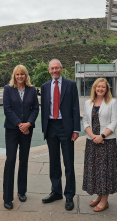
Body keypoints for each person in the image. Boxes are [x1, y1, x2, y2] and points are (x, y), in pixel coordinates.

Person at [40, 59, 80, 211]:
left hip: (66, 127)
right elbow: (44, 109)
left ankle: (69, 195)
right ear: (49, 70)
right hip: (51, 127)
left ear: (62, 69)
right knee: (54, 161)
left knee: (68, 162)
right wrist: (44, 128)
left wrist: (76, 129)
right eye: (52, 68)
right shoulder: (44, 87)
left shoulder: (70, 85)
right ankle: (56, 192)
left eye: (57, 68)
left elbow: (75, 108)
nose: (55, 71)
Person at [2, 65, 39, 210]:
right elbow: (7, 109)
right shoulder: (8, 89)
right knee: (10, 160)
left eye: (22, 74)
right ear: (14, 75)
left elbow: (35, 108)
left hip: (27, 130)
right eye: (17, 74)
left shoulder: (31, 89)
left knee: (23, 160)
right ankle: (7, 197)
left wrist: (28, 123)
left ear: (26, 75)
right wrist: (20, 124)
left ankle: (22, 191)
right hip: (12, 130)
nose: (19, 77)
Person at [82, 78, 117, 212]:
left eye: (103, 87)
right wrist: (93, 137)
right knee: (95, 170)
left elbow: (114, 122)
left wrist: (102, 136)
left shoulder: (112, 102)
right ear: (94, 88)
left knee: (105, 171)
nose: (100, 89)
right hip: (92, 141)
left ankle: (105, 201)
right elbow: (85, 121)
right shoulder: (88, 102)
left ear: (107, 89)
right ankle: (99, 196)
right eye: (98, 87)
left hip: (107, 142)